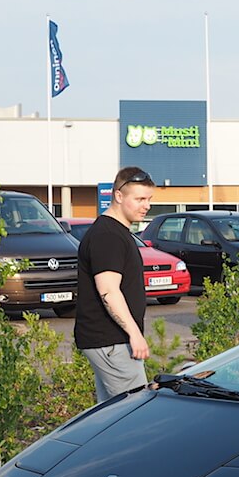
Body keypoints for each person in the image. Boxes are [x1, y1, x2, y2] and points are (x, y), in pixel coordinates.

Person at [75, 167, 155, 403]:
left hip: (109, 341)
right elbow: (108, 291)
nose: (146, 205)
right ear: (119, 196)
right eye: (139, 199)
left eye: (149, 199)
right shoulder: (107, 236)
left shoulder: (115, 233)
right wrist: (134, 334)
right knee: (135, 413)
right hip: (112, 341)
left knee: (110, 416)